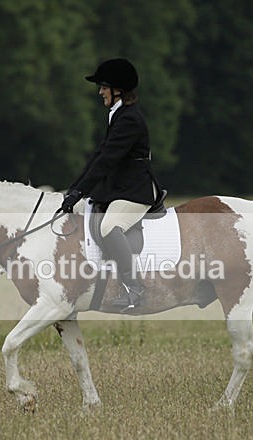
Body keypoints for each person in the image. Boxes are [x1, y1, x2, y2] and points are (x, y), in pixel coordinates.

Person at [60, 58, 161, 310]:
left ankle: (134, 288)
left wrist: (80, 191)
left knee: (109, 227)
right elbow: (99, 156)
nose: (100, 92)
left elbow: (107, 160)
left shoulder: (129, 119)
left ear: (118, 90)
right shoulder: (117, 114)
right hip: (120, 188)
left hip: (135, 190)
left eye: (104, 87)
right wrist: (74, 190)